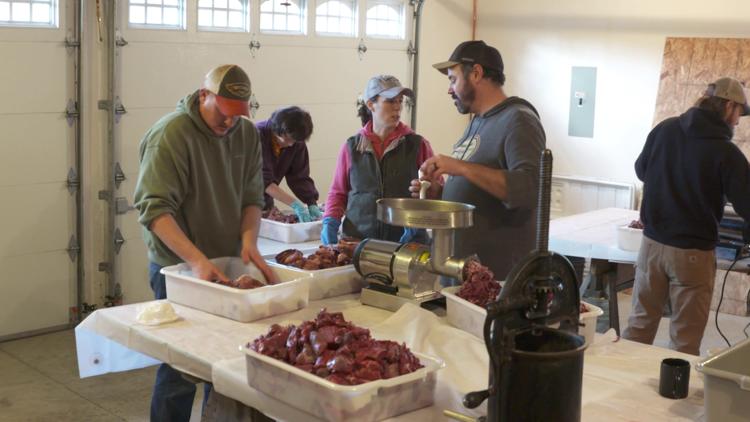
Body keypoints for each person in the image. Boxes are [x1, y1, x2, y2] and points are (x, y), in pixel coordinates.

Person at [133, 64, 278, 422]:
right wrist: (197, 261)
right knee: (181, 366)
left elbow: (251, 196)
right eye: (223, 113)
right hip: (179, 267)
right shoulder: (171, 135)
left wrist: (248, 244)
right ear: (203, 96)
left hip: (226, 263)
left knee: (225, 363)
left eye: (237, 115)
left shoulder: (244, 133)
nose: (229, 123)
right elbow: (154, 211)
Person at [622, 77, 750, 355]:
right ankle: (673, 395)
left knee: (639, 326)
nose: (739, 121)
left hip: (652, 247)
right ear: (729, 106)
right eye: (740, 112)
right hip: (693, 256)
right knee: (684, 338)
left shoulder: (665, 129)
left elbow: (641, 170)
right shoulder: (726, 152)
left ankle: (620, 390)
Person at [411, 40, 546, 283]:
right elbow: (477, 194)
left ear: (476, 73)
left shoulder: (519, 120)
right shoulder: (478, 121)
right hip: (463, 275)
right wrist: (439, 193)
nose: (449, 90)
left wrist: (461, 167)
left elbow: (529, 189)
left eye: (453, 79)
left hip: (497, 281)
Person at [321, 75, 434, 244]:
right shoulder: (352, 147)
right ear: (371, 105)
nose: (397, 107)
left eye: (400, 101)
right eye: (390, 101)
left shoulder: (417, 145)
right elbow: (338, 193)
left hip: (406, 245)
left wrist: (418, 221)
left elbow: (437, 192)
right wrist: (330, 222)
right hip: (358, 244)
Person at [257, 106, 322, 222]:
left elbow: (299, 177)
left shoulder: (297, 142)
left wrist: (311, 202)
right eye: (287, 140)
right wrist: (295, 204)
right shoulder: (256, 135)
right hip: (239, 203)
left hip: (264, 204)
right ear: (276, 130)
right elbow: (262, 179)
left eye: (295, 141)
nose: (291, 145)